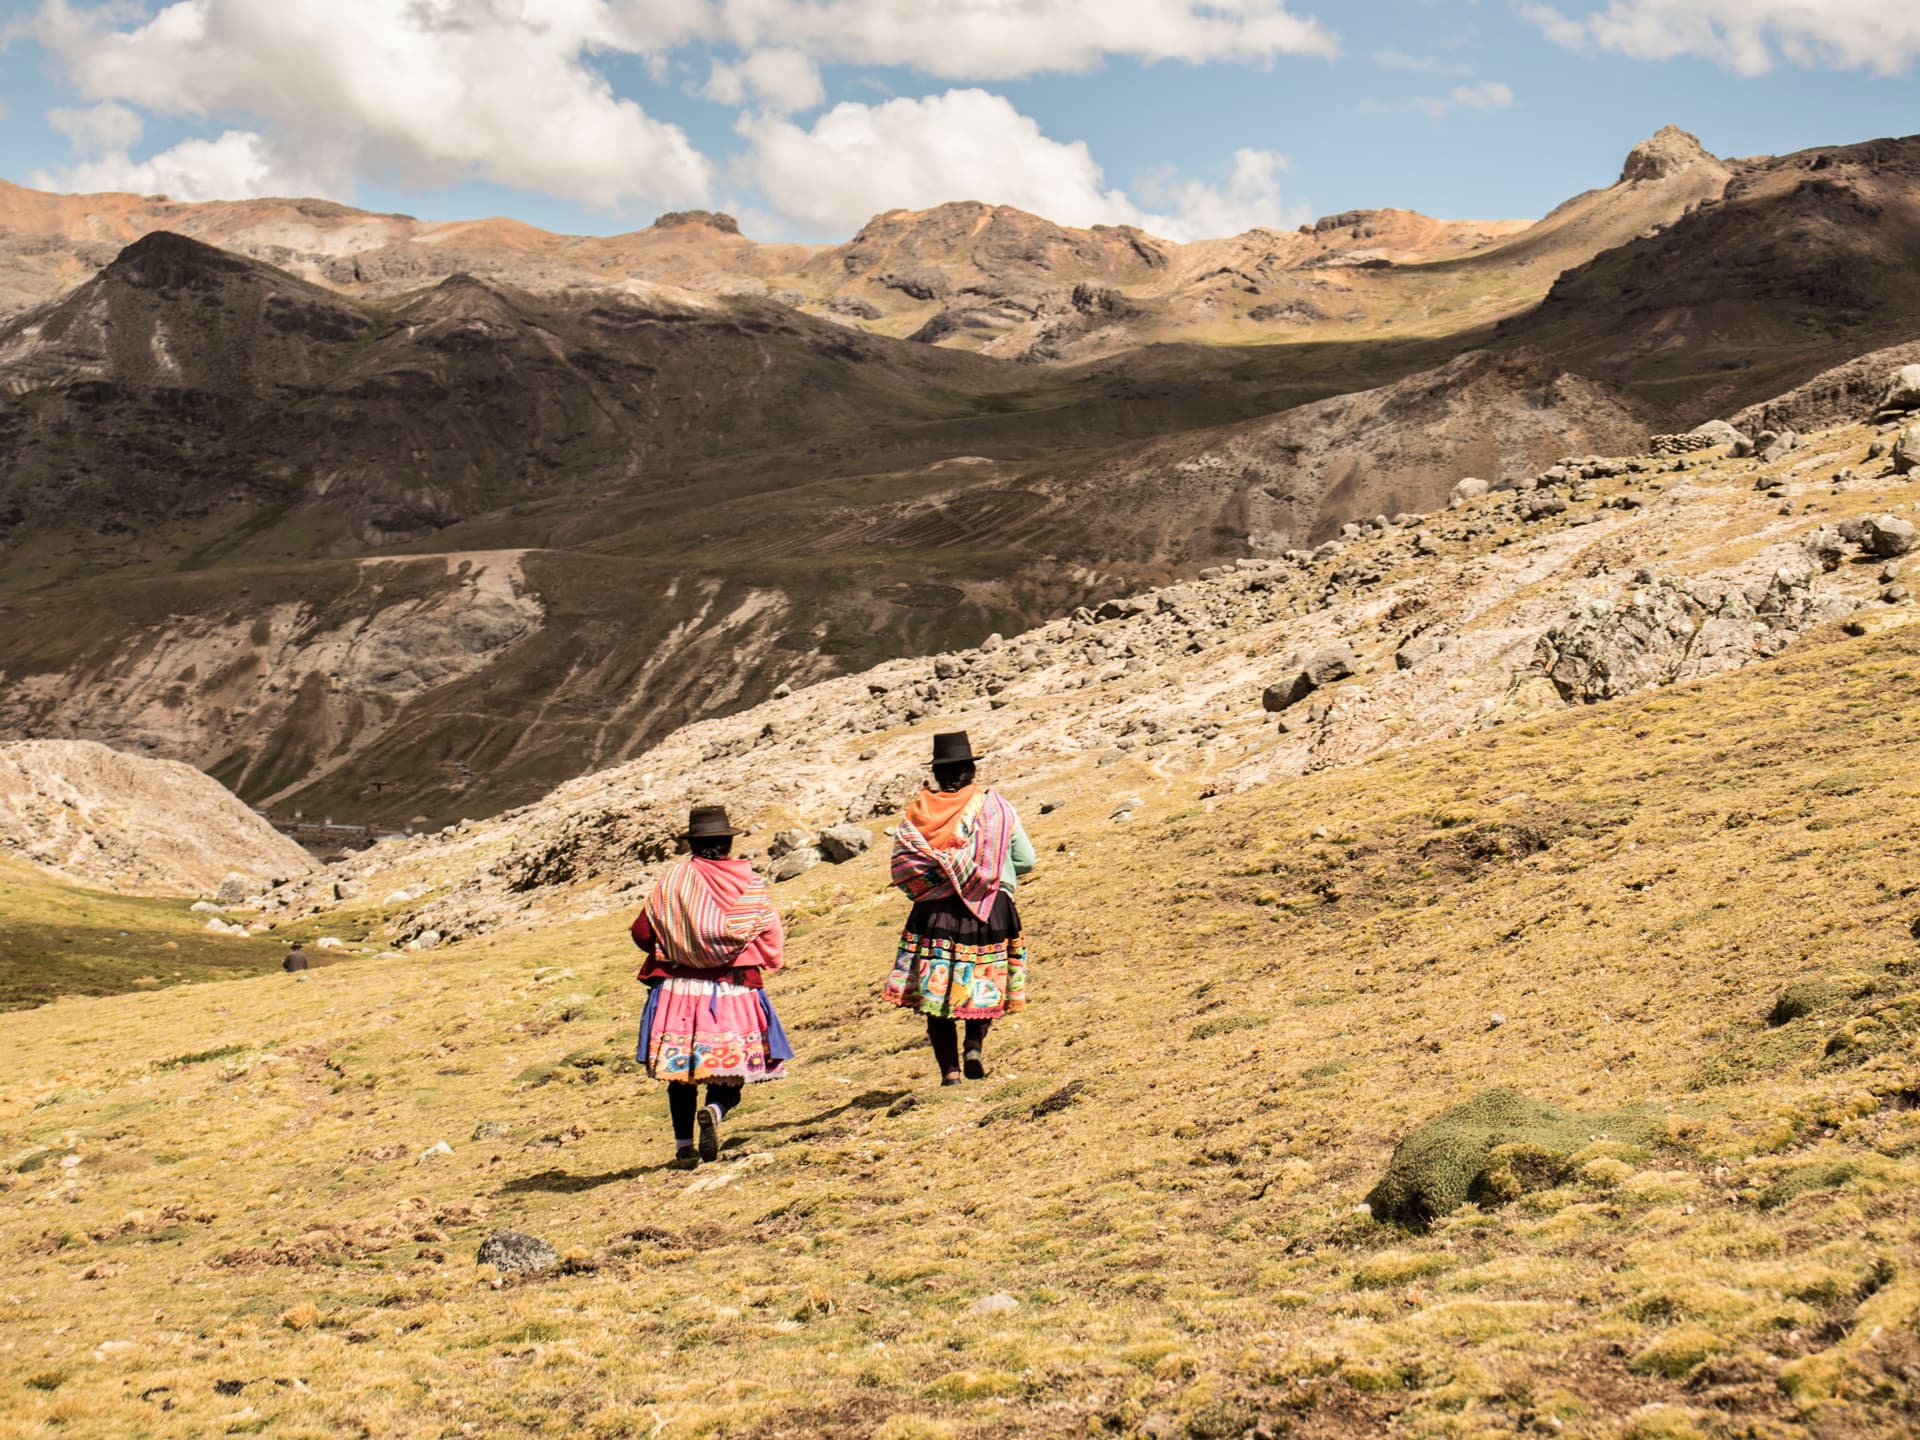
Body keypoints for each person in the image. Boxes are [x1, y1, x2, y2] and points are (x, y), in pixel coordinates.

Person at [630, 804, 792, 1169]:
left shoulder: (673, 881)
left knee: (681, 1073)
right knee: (730, 1071)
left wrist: (676, 946)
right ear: (726, 844)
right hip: (732, 988)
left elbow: (642, 931)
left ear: (693, 844)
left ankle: (685, 1148)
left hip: (678, 989)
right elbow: (769, 932)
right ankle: (716, 1110)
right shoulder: (747, 883)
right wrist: (762, 957)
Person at [885, 731, 1036, 1085]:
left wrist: (943, 876)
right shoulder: (996, 808)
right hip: (990, 907)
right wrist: (988, 872)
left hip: (935, 911)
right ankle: (973, 1043)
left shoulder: (918, 813)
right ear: (971, 769)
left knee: (935, 991)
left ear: (937, 775)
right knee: (983, 979)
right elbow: (1026, 859)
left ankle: (950, 1073)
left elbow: (904, 866)